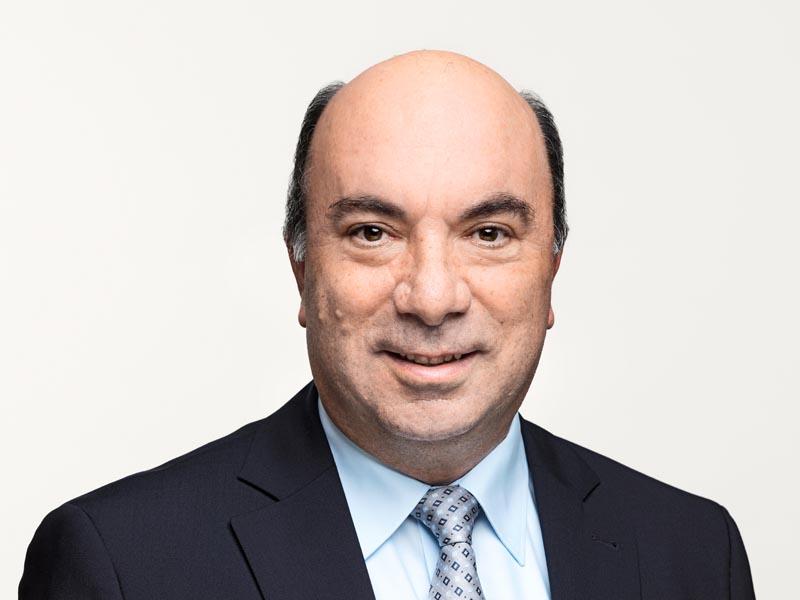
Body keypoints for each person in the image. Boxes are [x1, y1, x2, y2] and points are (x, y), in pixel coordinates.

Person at [19, 50, 756, 600]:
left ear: (552, 269)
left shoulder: (694, 555)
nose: (431, 299)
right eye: (372, 233)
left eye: (489, 233)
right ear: (302, 269)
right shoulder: (121, 566)